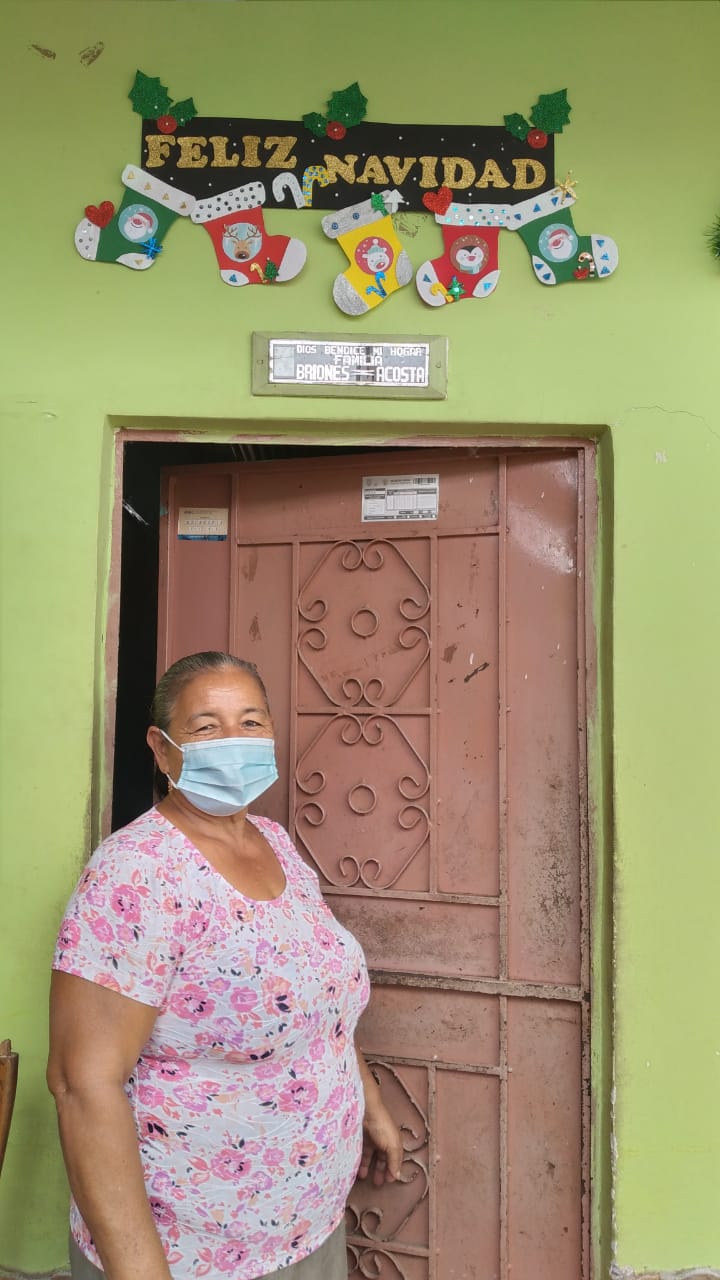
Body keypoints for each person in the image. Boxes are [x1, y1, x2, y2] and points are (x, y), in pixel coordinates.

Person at [48, 651, 403, 1280]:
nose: (234, 741)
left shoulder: (276, 844)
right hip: (192, 1249)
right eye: (207, 727)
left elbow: (319, 993)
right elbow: (83, 1085)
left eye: (250, 722)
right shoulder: (137, 873)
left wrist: (367, 1099)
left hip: (308, 1222)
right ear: (162, 750)